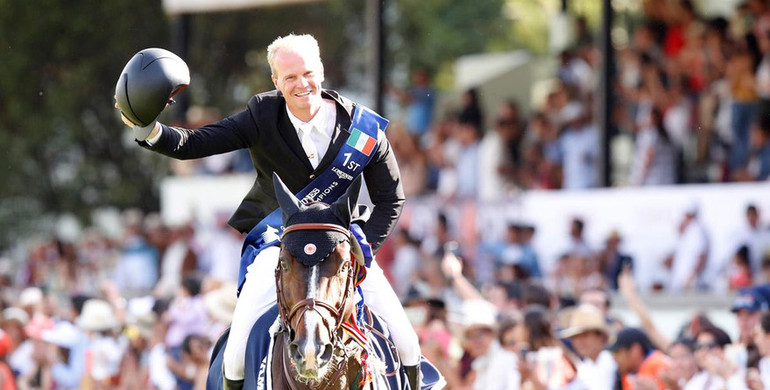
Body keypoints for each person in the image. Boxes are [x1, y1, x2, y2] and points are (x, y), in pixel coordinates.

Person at [117, 33, 419, 389]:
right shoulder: (260, 115)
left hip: (341, 250)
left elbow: (391, 199)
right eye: (289, 77)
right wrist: (148, 130)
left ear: (320, 71)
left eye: (307, 73)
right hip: (280, 244)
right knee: (236, 347)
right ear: (276, 81)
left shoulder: (363, 130)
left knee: (408, 344)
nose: (301, 84)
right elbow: (196, 143)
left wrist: (360, 249)